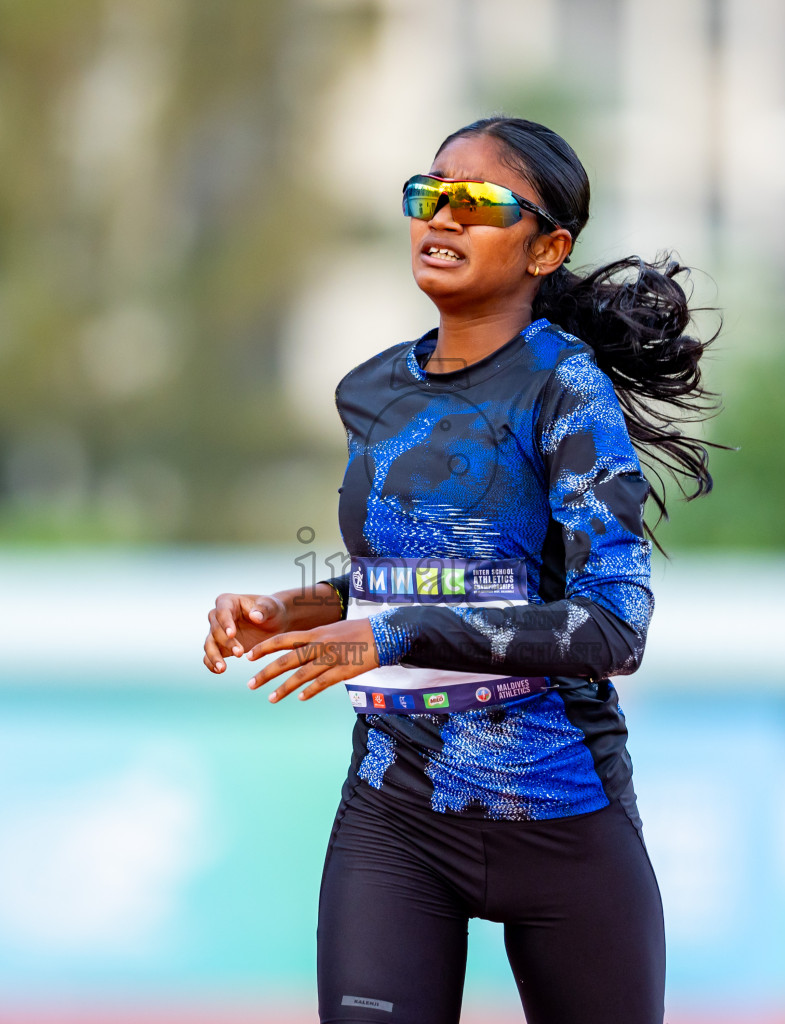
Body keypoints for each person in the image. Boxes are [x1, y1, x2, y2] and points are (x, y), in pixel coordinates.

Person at [201, 116, 717, 1023]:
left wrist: (397, 632)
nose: (442, 216)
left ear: (546, 247)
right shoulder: (370, 391)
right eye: (428, 194)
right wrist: (287, 608)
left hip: (560, 818)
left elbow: (613, 626)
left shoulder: (567, 389)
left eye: (476, 203)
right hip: (394, 817)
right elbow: (407, 577)